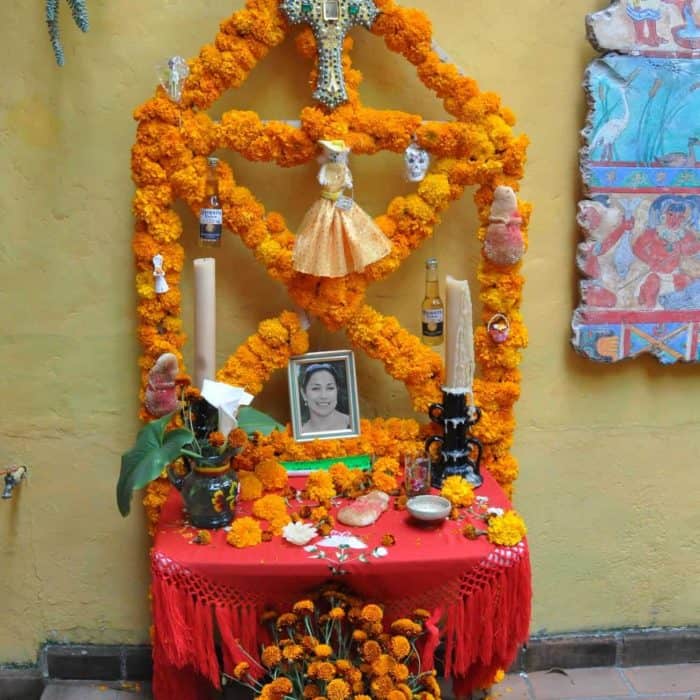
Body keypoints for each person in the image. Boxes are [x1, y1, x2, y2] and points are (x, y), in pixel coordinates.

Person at [292, 139, 392, 278]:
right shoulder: (326, 167)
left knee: (349, 229)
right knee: (323, 230)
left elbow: (347, 181)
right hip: (326, 203)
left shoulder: (343, 168)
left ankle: (349, 257)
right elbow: (322, 178)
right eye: (332, 153)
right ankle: (326, 262)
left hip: (339, 200)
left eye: (337, 154)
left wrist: (347, 184)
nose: (334, 156)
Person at [299, 363, 350, 434]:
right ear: (304, 394)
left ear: (337, 391)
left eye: (330, 388)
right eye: (315, 388)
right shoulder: (299, 433)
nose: (323, 396)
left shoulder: (353, 424)